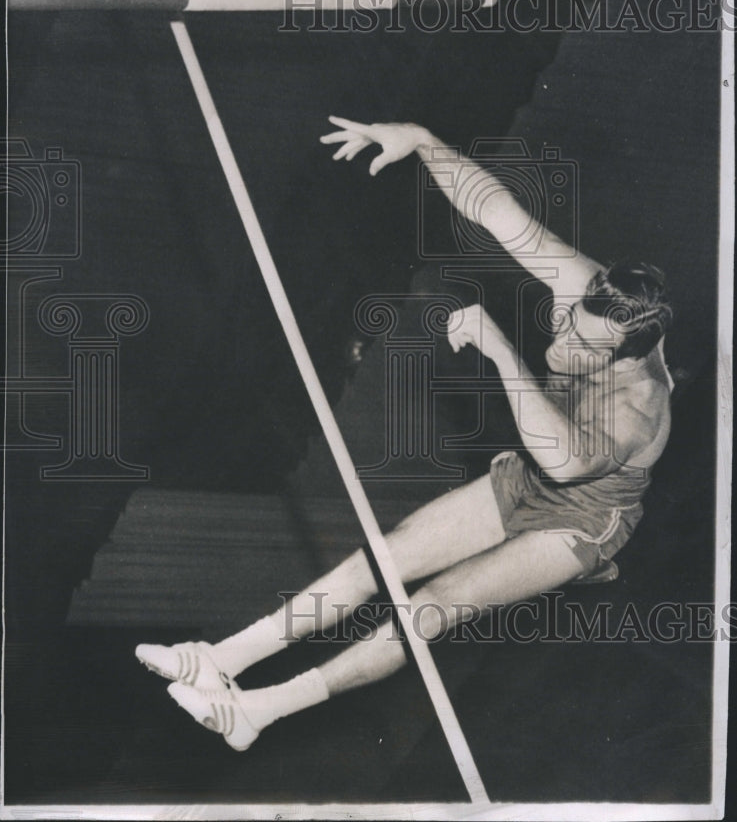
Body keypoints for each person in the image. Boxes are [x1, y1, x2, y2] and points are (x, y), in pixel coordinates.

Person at [136, 118, 674, 752]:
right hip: (535, 469)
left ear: (627, 356)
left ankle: (261, 709)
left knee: (431, 607)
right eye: (567, 323)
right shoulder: (590, 294)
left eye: (585, 347)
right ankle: (219, 658)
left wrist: (502, 352)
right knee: (384, 557)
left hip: (582, 517)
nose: (562, 343)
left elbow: (563, 463)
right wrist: (423, 141)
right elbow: (500, 213)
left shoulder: (638, 410)